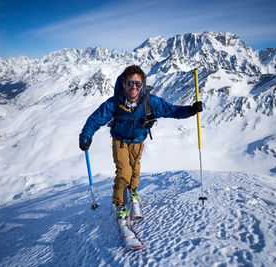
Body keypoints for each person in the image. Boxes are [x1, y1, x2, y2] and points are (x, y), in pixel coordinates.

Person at [79, 65, 202, 218]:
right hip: (120, 140)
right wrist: (86, 136)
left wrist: (190, 110)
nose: (134, 87)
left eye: (137, 83)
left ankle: (133, 191)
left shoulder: (150, 102)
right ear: (124, 84)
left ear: (142, 85)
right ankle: (120, 203)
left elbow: (172, 110)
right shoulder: (114, 103)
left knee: (135, 170)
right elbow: (95, 120)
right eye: (130, 83)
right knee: (124, 172)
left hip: (138, 140)